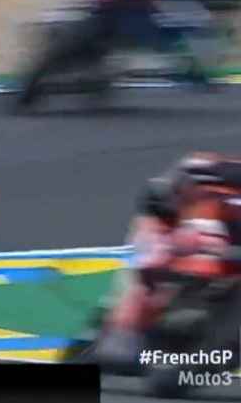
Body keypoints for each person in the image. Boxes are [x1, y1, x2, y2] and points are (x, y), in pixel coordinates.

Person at [91, 152, 241, 372]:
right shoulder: (206, 169)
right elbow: (157, 196)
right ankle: (120, 322)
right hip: (185, 249)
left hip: (225, 268)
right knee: (149, 269)